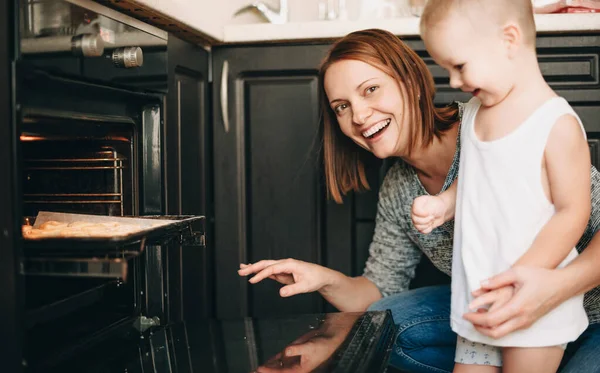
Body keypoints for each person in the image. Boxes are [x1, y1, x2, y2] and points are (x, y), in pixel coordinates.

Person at [237, 28, 600, 373]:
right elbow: (378, 292)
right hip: (499, 313)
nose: (359, 116)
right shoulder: (398, 188)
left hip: (590, 311)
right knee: (380, 326)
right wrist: (322, 279)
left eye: (371, 89)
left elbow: (581, 212)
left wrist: (551, 291)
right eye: (341, 107)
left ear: (410, 82)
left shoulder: (492, 124)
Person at [410, 0, 590, 371]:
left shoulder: (555, 124)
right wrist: (444, 203)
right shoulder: (474, 113)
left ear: (509, 39)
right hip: (480, 298)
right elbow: (476, 178)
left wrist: (522, 276)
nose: (454, 82)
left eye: (459, 66)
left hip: (532, 304)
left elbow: (574, 212)